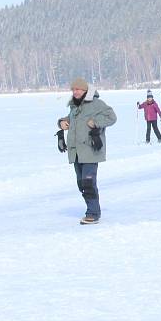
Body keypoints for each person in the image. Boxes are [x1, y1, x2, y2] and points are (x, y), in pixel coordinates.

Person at [57, 77, 117, 225]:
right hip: (76, 152)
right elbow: (72, 120)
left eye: (78, 89)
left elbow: (112, 117)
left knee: (88, 182)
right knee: (81, 184)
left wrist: (96, 122)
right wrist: (61, 122)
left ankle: (93, 213)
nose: (75, 92)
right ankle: (93, 209)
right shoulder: (74, 106)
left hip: (90, 150)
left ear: (85, 90)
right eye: (73, 89)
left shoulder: (96, 104)